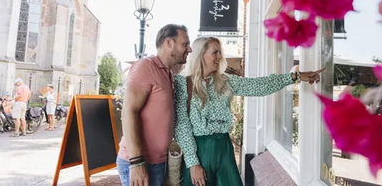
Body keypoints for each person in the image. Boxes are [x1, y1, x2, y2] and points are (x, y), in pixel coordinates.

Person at [173, 37, 325, 186]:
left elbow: (259, 85)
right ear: (201, 55)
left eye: (220, 53)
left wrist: (295, 77)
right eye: (215, 52)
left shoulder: (226, 81)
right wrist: (193, 163)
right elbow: (181, 126)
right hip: (199, 149)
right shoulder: (183, 83)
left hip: (224, 147)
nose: (219, 57)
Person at [117, 24, 192, 186]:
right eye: (185, 44)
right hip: (140, 162)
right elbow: (129, 111)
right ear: (169, 43)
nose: (189, 49)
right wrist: (136, 162)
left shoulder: (168, 74)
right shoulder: (146, 66)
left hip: (157, 162)